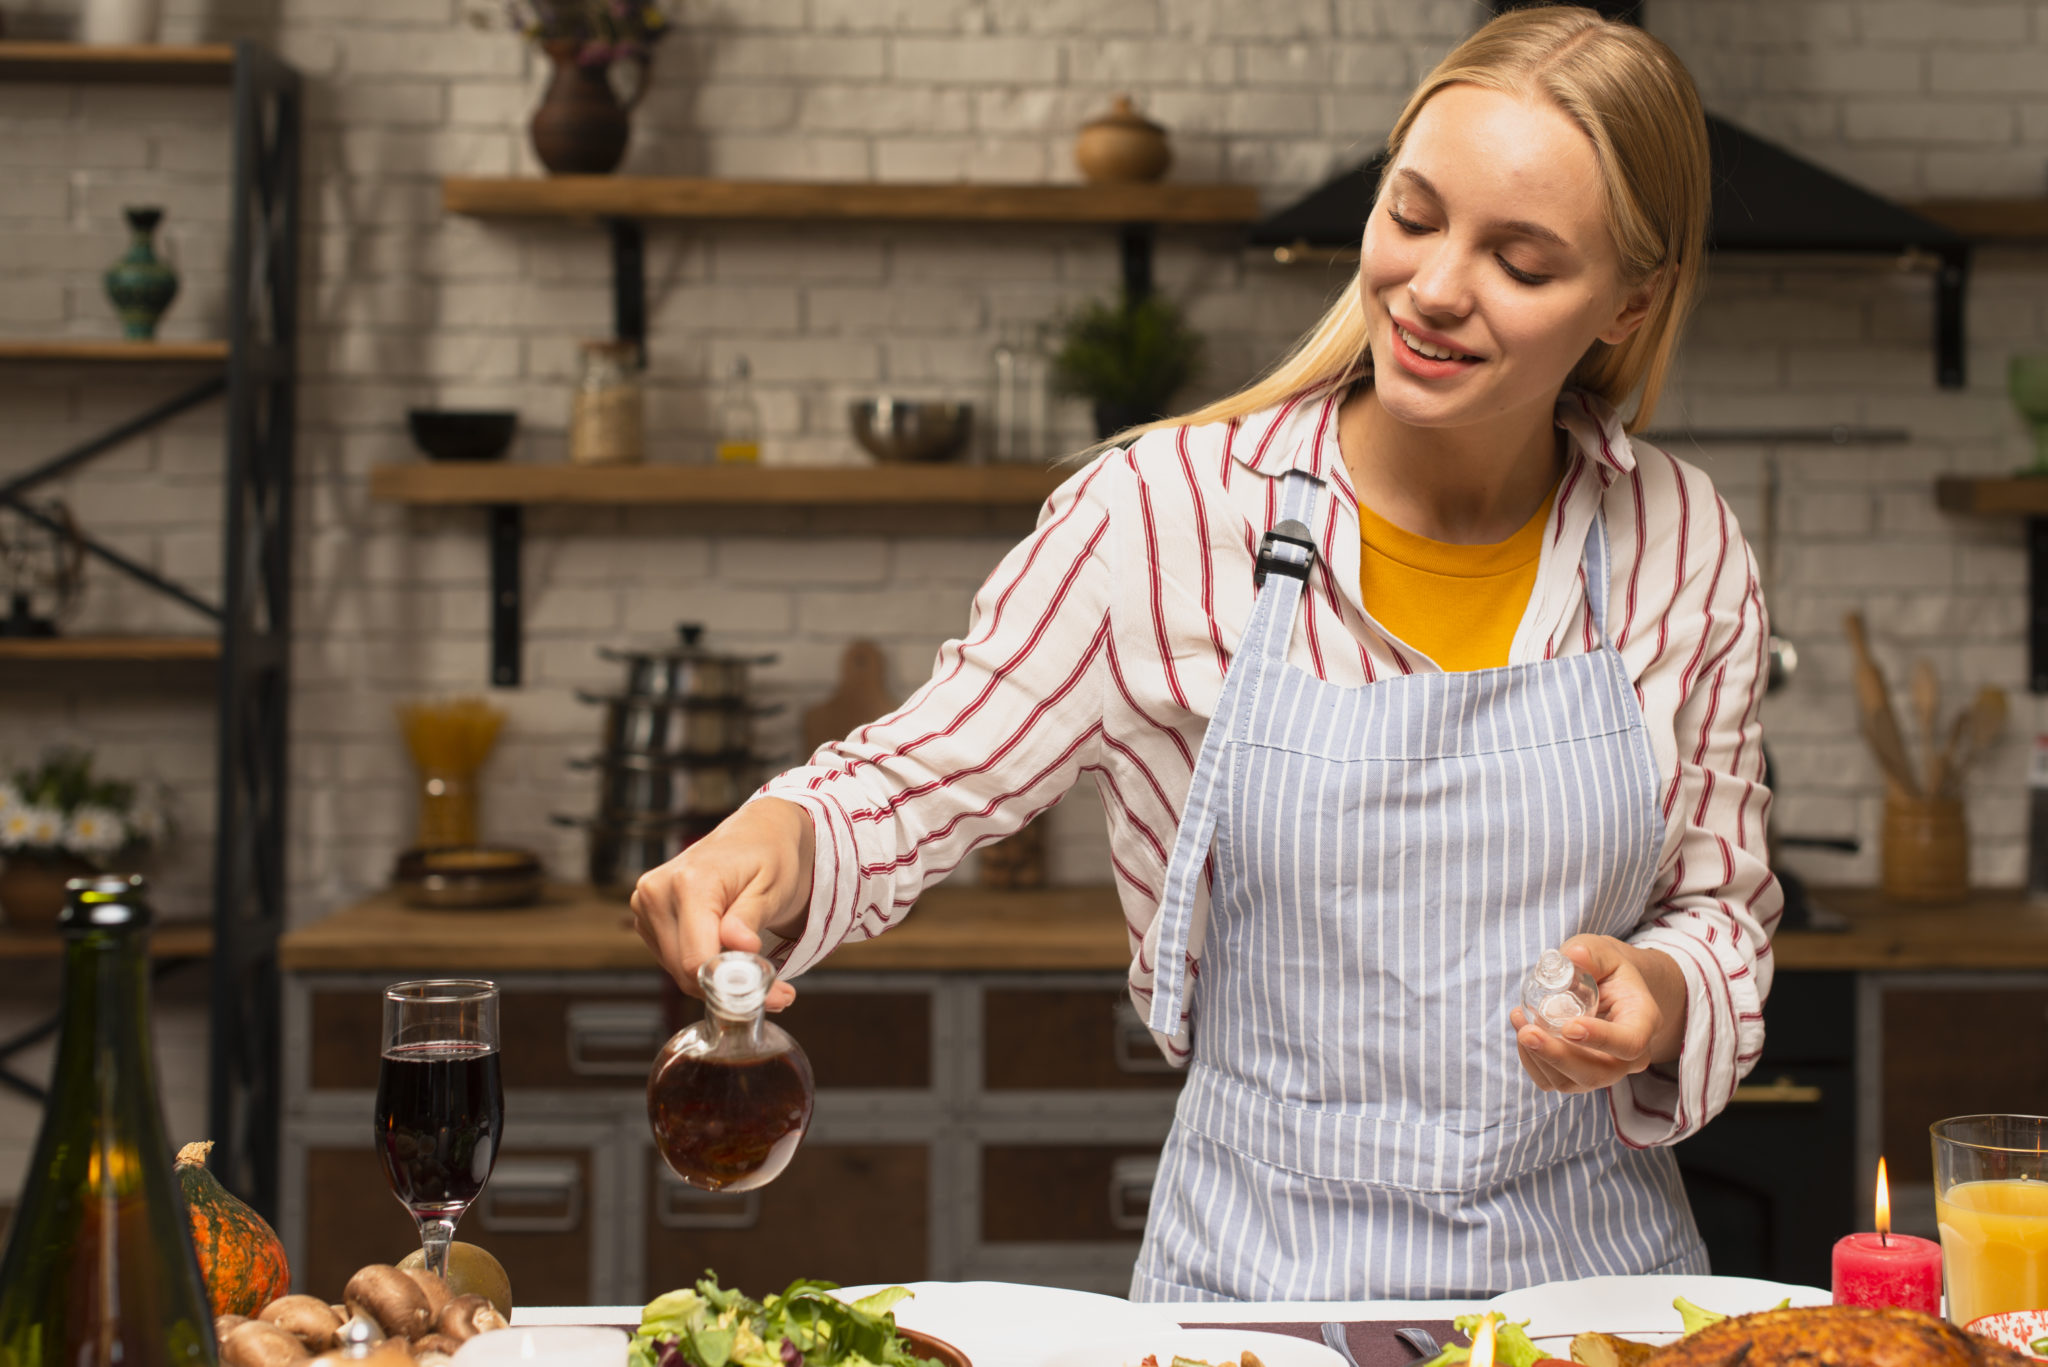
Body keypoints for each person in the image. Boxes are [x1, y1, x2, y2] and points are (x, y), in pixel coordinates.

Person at [631, 5, 1776, 1302]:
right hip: (1258, 1285)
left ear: (1630, 299)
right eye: (1412, 216)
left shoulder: (1679, 539)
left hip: (1594, 1294)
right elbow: (915, 779)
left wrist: (1668, 996)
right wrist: (771, 844)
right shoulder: (1164, 515)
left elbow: (1721, 908)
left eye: (1521, 261)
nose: (1437, 286)